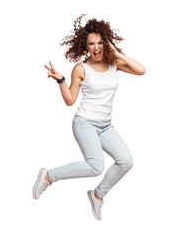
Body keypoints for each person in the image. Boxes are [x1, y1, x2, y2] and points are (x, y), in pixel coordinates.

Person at [32, 14, 146, 220]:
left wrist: (118, 52)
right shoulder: (81, 68)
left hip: (105, 125)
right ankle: (49, 176)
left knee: (126, 161)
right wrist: (61, 81)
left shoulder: (114, 63)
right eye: (92, 44)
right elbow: (70, 100)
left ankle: (97, 195)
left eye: (100, 43)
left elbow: (141, 71)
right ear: (85, 46)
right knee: (95, 167)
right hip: (84, 123)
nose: (96, 48)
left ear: (106, 43)